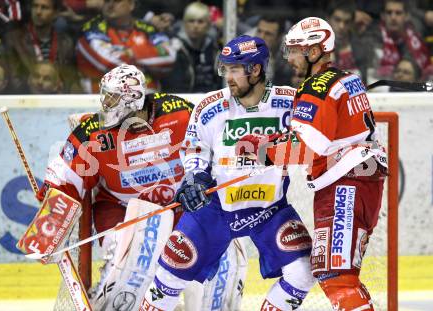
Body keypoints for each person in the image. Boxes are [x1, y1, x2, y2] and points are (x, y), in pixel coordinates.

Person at [141, 35, 315, 311]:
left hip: (268, 209)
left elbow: (316, 137)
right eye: (225, 70)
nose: (228, 77)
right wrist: (195, 179)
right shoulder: (210, 107)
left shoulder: (291, 102)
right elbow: (194, 149)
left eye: (234, 69)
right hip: (215, 209)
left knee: (304, 272)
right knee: (168, 279)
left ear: (255, 70)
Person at [237, 17, 388, 310]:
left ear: (316, 51)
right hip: (361, 180)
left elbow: (305, 149)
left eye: (295, 50)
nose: (290, 57)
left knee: (337, 276)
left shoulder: (317, 87)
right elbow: (321, 135)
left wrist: (261, 151)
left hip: (347, 184)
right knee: (338, 274)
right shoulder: (346, 78)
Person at [36, 64, 193, 309]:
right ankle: (110, 295)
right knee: (131, 261)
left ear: (132, 99)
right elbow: (64, 180)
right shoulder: (93, 132)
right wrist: (50, 215)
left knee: (208, 268)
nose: (105, 102)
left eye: (112, 96)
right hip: (120, 209)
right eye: (105, 94)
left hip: (180, 207)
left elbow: (210, 150)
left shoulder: (180, 113)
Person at [76, 0, 176, 93]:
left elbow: (169, 57)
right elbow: (107, 62)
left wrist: (129, 53)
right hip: (104, 99)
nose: (110, 4)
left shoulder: (148, 29)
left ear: (131, 5)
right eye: (107, 0)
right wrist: (147, 58)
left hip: (148, 98)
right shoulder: (92, 29)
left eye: (117, 1)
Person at [161, 1, 221, 93]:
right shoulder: (175, 48)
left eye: (200, 21)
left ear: (208, 25)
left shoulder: (215, 48)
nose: (195, 26)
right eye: (191, 21)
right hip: (184, 100)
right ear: (184, 23)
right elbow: (173, 86)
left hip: (213, 100)